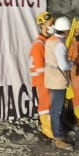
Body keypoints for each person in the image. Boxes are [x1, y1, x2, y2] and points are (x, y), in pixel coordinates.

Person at [44, 16, 74, 149]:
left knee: (56, 108)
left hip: (50, 78)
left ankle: (58, 133)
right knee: (57, 109)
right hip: (58, 80)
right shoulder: (60, 45)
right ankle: (58, 138)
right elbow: (64, 66)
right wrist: (72, 62)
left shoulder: (50, 40)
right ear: (66, 31)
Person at [30, 11, 56, 139]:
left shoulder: (48, 41)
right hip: (43, 79)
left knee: (52, 103)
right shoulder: (39, 44)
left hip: (50, 78)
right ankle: (47, 129)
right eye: (50, 24)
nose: (51, 26)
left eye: (52, 23)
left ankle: (52, 127)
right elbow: (40, 67)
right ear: (42, 26)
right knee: (45, 104)